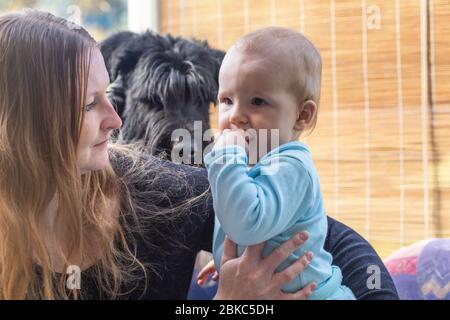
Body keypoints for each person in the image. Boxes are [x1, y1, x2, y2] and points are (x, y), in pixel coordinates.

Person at [0, 10, 399, 300]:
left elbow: (337, 241)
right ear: (25, 121)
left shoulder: (153, 193)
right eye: (90, 104)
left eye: (109, 94)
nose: (115, 118)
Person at [199, 27, 355, 299]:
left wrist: (224, 158)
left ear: (301, 115)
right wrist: (229, 258)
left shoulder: (292, 166)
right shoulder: (251, 163)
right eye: (226, 100)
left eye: (257, 102)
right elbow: (258, 226)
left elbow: (246, 223)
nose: (236, 116)